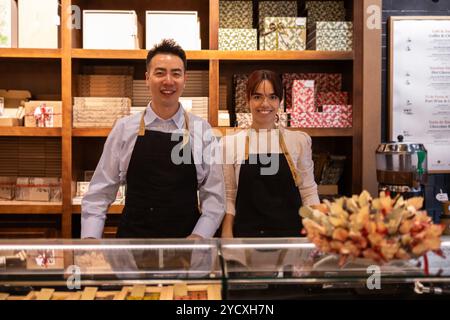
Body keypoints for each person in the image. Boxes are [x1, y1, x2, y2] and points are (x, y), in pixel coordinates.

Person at [81, 39, 225, 239]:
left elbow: (215, 198)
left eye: (176, 73)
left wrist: (199, 238)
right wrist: (90, 239)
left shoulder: (202, 131)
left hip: (186, 252)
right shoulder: (124, 129)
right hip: (131, 251)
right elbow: (99, 192)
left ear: (185, 79)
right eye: (160, 73)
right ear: (147, 78)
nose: (168, 81)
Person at [221, 70, 320, 238]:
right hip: (246, 238)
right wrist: (227, 234)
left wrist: (322, 230)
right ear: (248, 100)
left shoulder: (298, 141)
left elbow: (308, 193)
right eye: (257, 96)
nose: (265, 104)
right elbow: (229, 196)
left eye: (272, 97)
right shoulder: (229, 144)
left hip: (292, 238)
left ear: (280, 102)